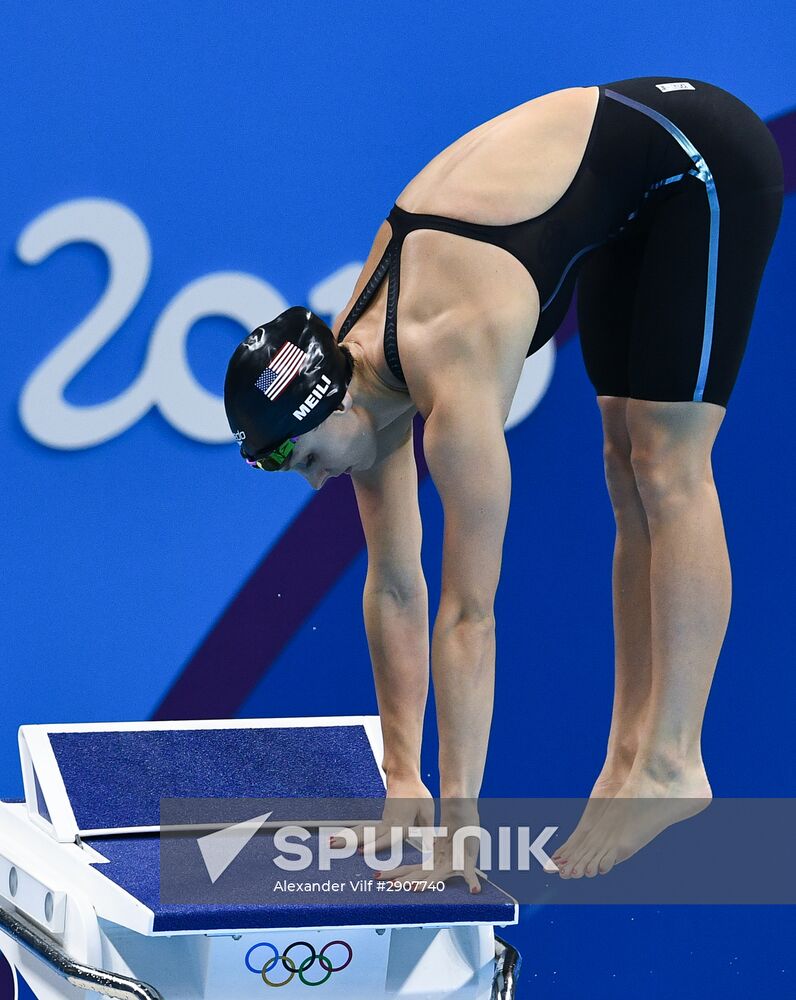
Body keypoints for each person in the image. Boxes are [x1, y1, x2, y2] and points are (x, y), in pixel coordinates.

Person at [224, 76, 784, 883]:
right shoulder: (359, 385)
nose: (312, 483)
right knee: (623, 464)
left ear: (332, 403)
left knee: (668, 461)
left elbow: (468, 616)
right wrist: (404, 782)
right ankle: (629, 754)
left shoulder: (449, 376)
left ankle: (672, 758)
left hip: (700, 159)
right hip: (625, 190)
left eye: (302, 458)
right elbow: (393, 587)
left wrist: (459, 834)